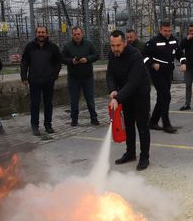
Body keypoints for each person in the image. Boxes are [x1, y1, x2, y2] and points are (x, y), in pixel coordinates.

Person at [107, 30, 151, 171]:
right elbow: (110, 74)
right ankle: (130, 153)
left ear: (125, 43)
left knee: (142, 126)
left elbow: (133, 82)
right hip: (126, 95)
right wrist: (113, 90)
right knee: (129, 125)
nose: (115, 49)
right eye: (112, 46)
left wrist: (118, 99)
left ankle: (144, 157)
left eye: (118, 45)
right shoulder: (112, 54)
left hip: (140, 94)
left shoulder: (135, 55)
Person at [143, 21, 186, 134]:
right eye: (165, 31)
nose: (167, 33)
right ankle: (166, 124)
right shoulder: (153, 42)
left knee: (162, 98)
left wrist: (183, 63)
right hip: (157, 73)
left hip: (168, 73)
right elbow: (144, 56)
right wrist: (152, 64)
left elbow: (179, 54)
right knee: (166, 97)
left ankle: (152, 122)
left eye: (169, 31)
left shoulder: (174, 40)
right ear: (160, 30)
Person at [20, 26, 62, 136]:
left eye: (43, 32)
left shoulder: (53, 47)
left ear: (47, 33)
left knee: (48, 104)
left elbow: (58, 62)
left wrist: (54, 75)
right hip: (34, 80)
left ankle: (48, 125)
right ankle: (35, 126)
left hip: (48, 81)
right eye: (39, 32)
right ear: (36, 33)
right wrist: (23, 76)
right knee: (34, 104)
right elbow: (24, 61)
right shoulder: (30, 46)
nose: (41, 34)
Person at [61, 26, 99, 127]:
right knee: (74, 100)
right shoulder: (67, 46)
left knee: (90, 99)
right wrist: (72, 61)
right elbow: (62, 58)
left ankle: (94, 118)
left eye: (78, 34)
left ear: (82, 34)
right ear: (72, 35)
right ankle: (74, 120)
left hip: (87, 77)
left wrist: (87, 59)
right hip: (74, 78)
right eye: (75, 34)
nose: (77, 36)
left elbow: (96, 55)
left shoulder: (88, 44)